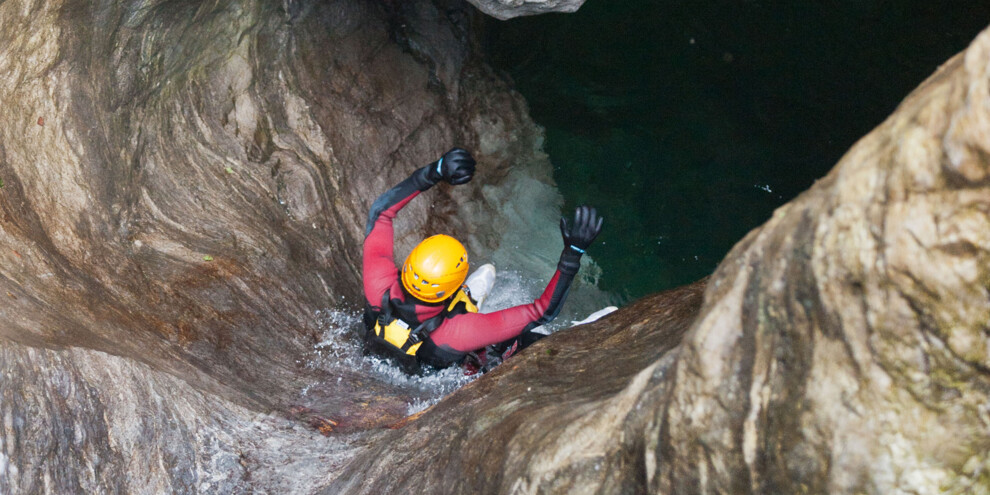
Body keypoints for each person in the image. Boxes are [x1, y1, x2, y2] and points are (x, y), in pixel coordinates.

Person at [361, 147, 603, 373]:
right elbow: (542, 312)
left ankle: (465, 302)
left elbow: (380, 213)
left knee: (451, 321)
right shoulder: (461, 332)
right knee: (520, 342)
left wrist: (435, 171)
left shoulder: (377, 285)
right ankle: (577, 331)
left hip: (397, 354)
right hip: (452, 362)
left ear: (409, 266)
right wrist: (572, 254)